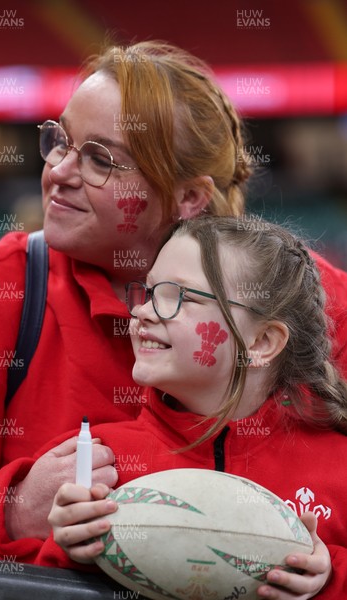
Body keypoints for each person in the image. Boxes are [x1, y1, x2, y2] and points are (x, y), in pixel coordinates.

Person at [0, 41, 346, 564]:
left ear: (189, 197)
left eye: (101, 159)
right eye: (60, 141)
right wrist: (9, 508)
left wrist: (328, 573)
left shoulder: (316, 304)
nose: (58, 172)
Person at [48, 215, 347, 600]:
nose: (143, 312)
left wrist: (329, 575)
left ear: (261, 342)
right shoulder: (98, 463)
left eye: (180, 296)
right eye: (150, 291)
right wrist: (68, 549)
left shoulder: (337, 464)